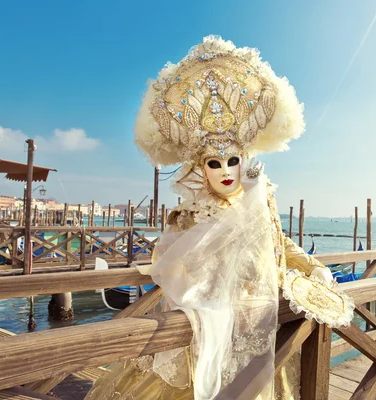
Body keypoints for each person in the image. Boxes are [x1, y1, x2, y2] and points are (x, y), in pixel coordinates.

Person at [85, 35, 353, 400]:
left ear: (245, 162)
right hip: (208, 335)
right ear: (202, 168)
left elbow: (277, 245)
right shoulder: (188, 214)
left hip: (261, 329)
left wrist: (310, 267)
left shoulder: (263, 199)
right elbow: (178, 265)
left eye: (232, 161)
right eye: (215, 162)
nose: (225, 170)